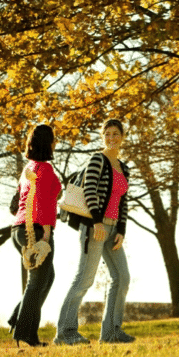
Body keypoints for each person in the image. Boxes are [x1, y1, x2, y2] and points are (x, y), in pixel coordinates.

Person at [55, 118, 134, 344]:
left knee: (121, 277)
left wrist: (121, 230)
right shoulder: (97, 160)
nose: (111, 138)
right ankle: (65, 332)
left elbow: (123, 202)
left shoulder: (124, 168)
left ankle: (111, 332)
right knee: (84, 279)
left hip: (113, 229)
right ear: (103, 136)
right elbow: (89, 190)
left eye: (116, 134)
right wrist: (97, 222)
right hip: (94, 226)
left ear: (122, 137)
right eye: (107, 134)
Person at [8, 124, 61, 347]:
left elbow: (16, 203)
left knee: (46, 278)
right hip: (36, 229)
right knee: (36, 282)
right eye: (54, 139)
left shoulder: (29, 168)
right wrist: (46, 233)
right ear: (48, 143)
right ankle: (25, 333)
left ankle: (16, 318)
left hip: (17, 229)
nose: (56, 142)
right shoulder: (45, 170)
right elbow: (43, 202)